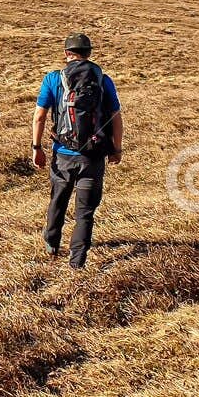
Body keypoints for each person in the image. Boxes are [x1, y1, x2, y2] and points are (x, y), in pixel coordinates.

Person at [31, 33, 124, 269]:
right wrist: (116, 148)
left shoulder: (53, 79)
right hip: (93, 156)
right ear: (89, 53)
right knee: (85, 212)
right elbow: (115, 117)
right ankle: (77, 262)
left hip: (62, 153)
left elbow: (40, 116)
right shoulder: (103, 79)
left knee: (58, 201)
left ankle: (52, 243)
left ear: (66, 54)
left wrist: (37, 147)